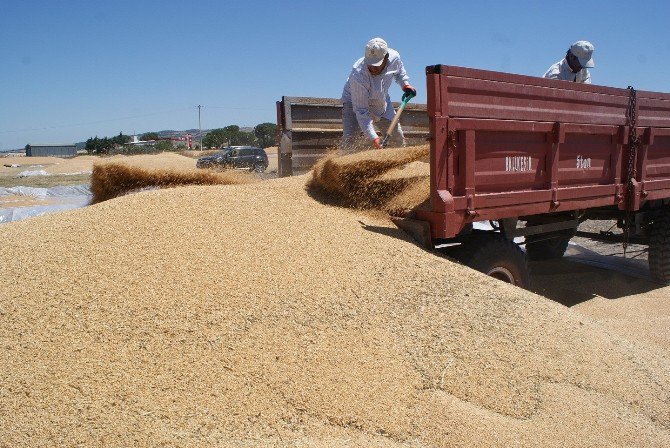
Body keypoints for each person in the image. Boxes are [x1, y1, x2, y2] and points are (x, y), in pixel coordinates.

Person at [341, 37, 416, 150]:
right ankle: (340, 164)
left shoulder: (394, 57)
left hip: (382, 100)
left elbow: (400, 73)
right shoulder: (358, 74)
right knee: (350, 139)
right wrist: (374, 138)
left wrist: (405, 85)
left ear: (386, 57)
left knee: (397, 137)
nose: (372, 67)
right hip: (354, 103)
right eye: (370, 64)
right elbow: (361, 111)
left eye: (377, 64)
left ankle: (401, 165)